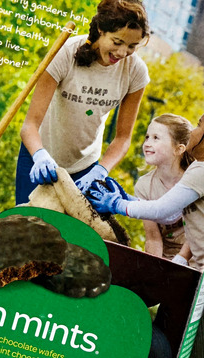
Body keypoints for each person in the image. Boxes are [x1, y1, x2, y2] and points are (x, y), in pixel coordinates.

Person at [15, 0, 150, 205]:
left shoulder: (135, 72)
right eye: (117, 42)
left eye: (132, 46)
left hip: (85, 169)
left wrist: (101, 170)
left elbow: (123, 139)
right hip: (38, 157)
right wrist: (40, 156)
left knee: (67, 236)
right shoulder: (65, 52)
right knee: (26, 229)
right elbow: (29, 126)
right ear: (100, 30)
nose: (122, 53)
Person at [87, 107, 204, 270]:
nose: (192, 131)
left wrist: (117, 205)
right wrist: (129, 200)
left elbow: (161, 210)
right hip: (202, 267)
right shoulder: (201, 167)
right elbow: (171, 216)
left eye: (198, 125)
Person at [134, 113, 194, 262]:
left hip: (195, 259)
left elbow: (199, 233)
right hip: (165, 259)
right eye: (147, 137)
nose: (147, 143)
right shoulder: (144, 186)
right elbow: (153, 238)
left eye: (156, 138)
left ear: (179, 149)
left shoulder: (195, 181)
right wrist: (156, 269)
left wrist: (180, 261)